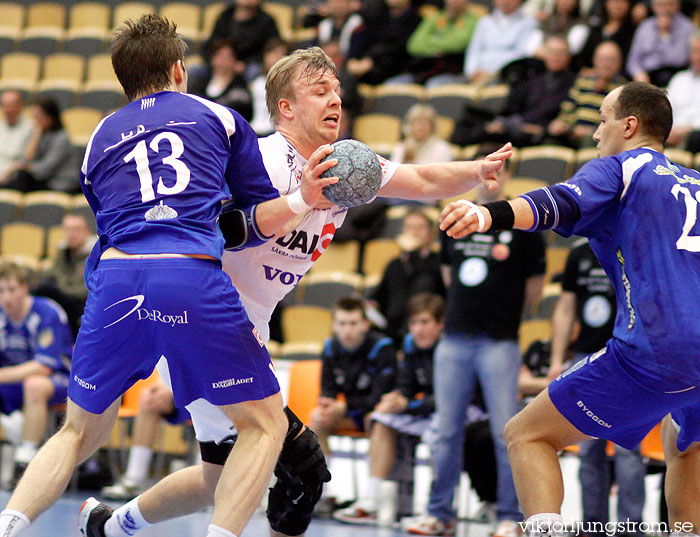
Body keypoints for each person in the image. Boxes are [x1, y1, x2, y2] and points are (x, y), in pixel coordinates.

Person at [81, 46, 513, 537]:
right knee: (302, 470)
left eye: (338, 91)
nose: (336, 100)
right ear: (286, 107)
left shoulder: (349, 167)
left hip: (247, 333)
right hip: (205, 324)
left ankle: (109, 527)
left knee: (217, 478)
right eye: (320, 90)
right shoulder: (260, 159)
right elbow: (197, 219)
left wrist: (476, 172)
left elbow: (422, 178)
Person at [0, 15, 341, 537]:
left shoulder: (97, 139)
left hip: (116, 281)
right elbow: (251, 220)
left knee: (75, 433)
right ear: (179, 69)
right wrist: (303, 200)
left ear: (125, 80)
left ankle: (9, 524)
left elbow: (107, 216)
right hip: (189, 277)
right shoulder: (218, 116)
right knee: (265, 425)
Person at [438, 81, 700, 537]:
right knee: (686, 444)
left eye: (602, 120)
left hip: (662, 345)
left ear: (629, 125)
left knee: (526, 434)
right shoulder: (695, 182)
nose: (597, 134)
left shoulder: (625, 167)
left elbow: (559, 201)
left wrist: (486, 215)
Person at [405, 162, 546, 537]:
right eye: (484, 173)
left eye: (498, 174)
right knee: (446, 430)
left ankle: (509, 515)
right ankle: (440, 513)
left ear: (508, 178)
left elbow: (535, 289)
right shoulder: (457, 216)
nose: (490, 180)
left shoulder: (523, 223)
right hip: (454, 338)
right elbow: (449, 275)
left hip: (499, 341)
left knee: (506, 432)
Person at [551, 239, 646, 537]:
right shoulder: (580, 252)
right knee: (588, 446)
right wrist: (557, 359)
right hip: (587, 356)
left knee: (627, 447)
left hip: (628, 358)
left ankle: (631, 527)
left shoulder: (636, 245)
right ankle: (593, 524)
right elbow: (566, 307)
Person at [333, 292, 444, 525]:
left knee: (441, 431)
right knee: (381, 418)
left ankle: (437, 510)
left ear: (440, 324)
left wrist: (407, 404)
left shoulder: (451, 348)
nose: (418, 329)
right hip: (425, 410)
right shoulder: (410, 343)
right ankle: (370, 502)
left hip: (459, 413)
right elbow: (405, 386)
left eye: (425, 322)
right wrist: (393, 400)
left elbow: (449, 400)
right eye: (414, 323)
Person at [0, 261, 73, 481]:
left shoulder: (46, 312)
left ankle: (26, 458)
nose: (6, 297)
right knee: (26, 383)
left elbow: (44, 367)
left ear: (24, 288)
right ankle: (13, 427)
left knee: (34, 384)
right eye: (1, 291)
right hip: (15, 380)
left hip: (60, 378)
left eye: (11, 290)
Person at [451, 35, 577, 148]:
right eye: (551, 51)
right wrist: (504, 123)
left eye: (560, 52)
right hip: (516, 124)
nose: (555, 56)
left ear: (569, 56)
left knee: (481, 133)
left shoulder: (575, 83)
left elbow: (561, 119)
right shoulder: (534, 79)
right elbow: (513, 109)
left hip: (538, 133)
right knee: (467, 120)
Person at [311, 296, 396, 456]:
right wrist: (328, 405)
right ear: (334, 325)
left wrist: (344, 407)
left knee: (378, 419)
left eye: (353, 323)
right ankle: (321, 477)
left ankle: (374, 480)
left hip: (376, 412)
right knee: (318, 417)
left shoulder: (382, 347)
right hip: (351, 412)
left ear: (365, 324)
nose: (347, 330)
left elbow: (380, 397)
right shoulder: (330, 347)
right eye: (342, 324)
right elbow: (327, 389)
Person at [100, 376, 191, 501]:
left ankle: (211, 483)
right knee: (149, 398)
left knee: (211, 405)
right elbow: (170, 359)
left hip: (214, 386)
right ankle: (134, 480)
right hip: (185, 385)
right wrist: (166, 384)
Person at [371, 208, 445, 344]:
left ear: (430, 234)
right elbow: (379, 296)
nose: (414, 232)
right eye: (410, 228)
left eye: (420, 228)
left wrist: (412, 253)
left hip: (424, 330)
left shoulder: (438, 262)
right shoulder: (394, 264)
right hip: (392, 331)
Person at [546, 40, 626, 148]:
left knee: (588, 140)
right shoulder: (583, 81)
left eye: (611, 60)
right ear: (595, 61)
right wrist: (562, 123)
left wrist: (590, 131)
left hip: (598, 137)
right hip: (572, 131)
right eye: (602, 60)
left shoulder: (622, 90)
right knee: (551, 136)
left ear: (619, 63)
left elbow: (616, 123)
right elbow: (568, 107)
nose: (606, 64)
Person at [34, 211, 96, 338]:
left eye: (76, 230)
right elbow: (51, 274)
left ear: (87, 231)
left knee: (45, 289)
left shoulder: (94, 254)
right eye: (68, 230)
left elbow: (86, 289)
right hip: (63, 300)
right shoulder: (63, 252)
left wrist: (61, 288)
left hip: (82, 305)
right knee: (42, 288)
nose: (71, 235)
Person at [4, 97, 80, 193]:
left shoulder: (62, 138)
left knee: (22, 177)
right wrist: (36, 135)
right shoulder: (38, 134)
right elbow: (27, 158)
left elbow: (45, 170)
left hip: (61, 184)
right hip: (45, 181)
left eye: (39, 117)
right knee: (19, 177)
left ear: (50, 117)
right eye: (34, 117)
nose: (36, 121)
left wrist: (23, 166)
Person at [462, 0, 538, 86]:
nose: (505, 2)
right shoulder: (484, 21)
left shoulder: (529, 22)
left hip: (508, 77)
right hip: (477, 76)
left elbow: (523, 53)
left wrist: (493, 73)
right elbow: (474, 51)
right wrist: (472, 72)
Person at [404, 0, 479, 84]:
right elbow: (413, 45)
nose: (454, 1)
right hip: (423, 70)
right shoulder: (434, 18)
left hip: (453, 71)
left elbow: (457, 44)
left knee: (435, 84)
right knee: (395, 84)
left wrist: (431, 41)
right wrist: (436, 51)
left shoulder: (473, 21)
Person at [203, 0, 280, 79]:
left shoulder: (267, 21)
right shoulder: (225, 16)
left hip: (249, 65)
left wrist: (245, 63)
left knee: (253, 70)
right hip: (223, 60)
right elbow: (212, 43)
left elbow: (270, 50)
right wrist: (217, 59)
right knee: (196, 70)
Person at [625, 0, 695, 86]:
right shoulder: (645, 27)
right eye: (660, 5)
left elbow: (679, 59)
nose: (665, 9)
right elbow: (632, 60)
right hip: (647, 76)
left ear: (678, 6)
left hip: (675, 76)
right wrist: (638, 73)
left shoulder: (688, 28)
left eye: (670, 4)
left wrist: (664, 34)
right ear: (653, 7)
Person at [188, 38, 253, 122]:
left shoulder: (239, 84)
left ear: (234, 60)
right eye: (219, 56)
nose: (222, 61)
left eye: (227, 57)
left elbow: (243, 111)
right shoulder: (202, 80)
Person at [576, 0, 637, 70]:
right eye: (613, 1)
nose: (617, 5)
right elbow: (583, 57)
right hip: (592, 76)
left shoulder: (633, 32)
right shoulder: (596, 29)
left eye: (622, 1)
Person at [666, 31, 700, 153]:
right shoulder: (679, 79)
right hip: (669, 135)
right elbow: (665, 110)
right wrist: (668, 131)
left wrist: (686, 130)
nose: (697, 57)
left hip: (694, 137)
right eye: (695, 51)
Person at [250, 38, 290, 136]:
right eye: (273, 54)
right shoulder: (257, 82)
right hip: (257, 129)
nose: (276, 58)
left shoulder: (290, 84)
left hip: (278, 130)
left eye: (281, 54)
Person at [0, 90, 33, 185]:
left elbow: (26, 160)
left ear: (21, 106)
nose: (9, 109)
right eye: (5, 106)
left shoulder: (30, 127)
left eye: (12, 105)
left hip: (15, 176)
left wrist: (7, 173)